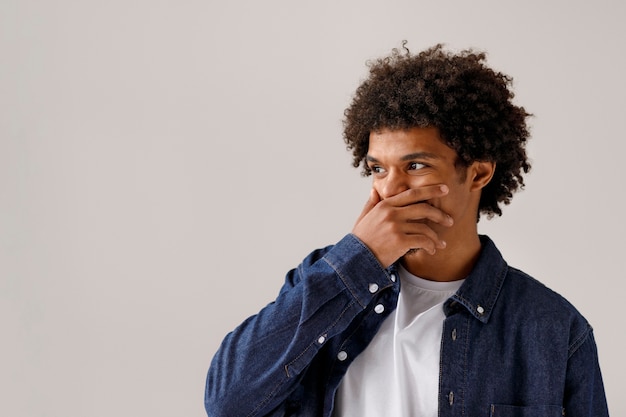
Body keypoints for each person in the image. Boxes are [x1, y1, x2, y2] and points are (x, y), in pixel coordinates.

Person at [204, 44, 609, 417]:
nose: (390, 189)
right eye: (378, 169)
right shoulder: (324, 282)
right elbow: (227, 402)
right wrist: (359, 259)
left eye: (415, 166)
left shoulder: (552, 328)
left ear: (479, 172)